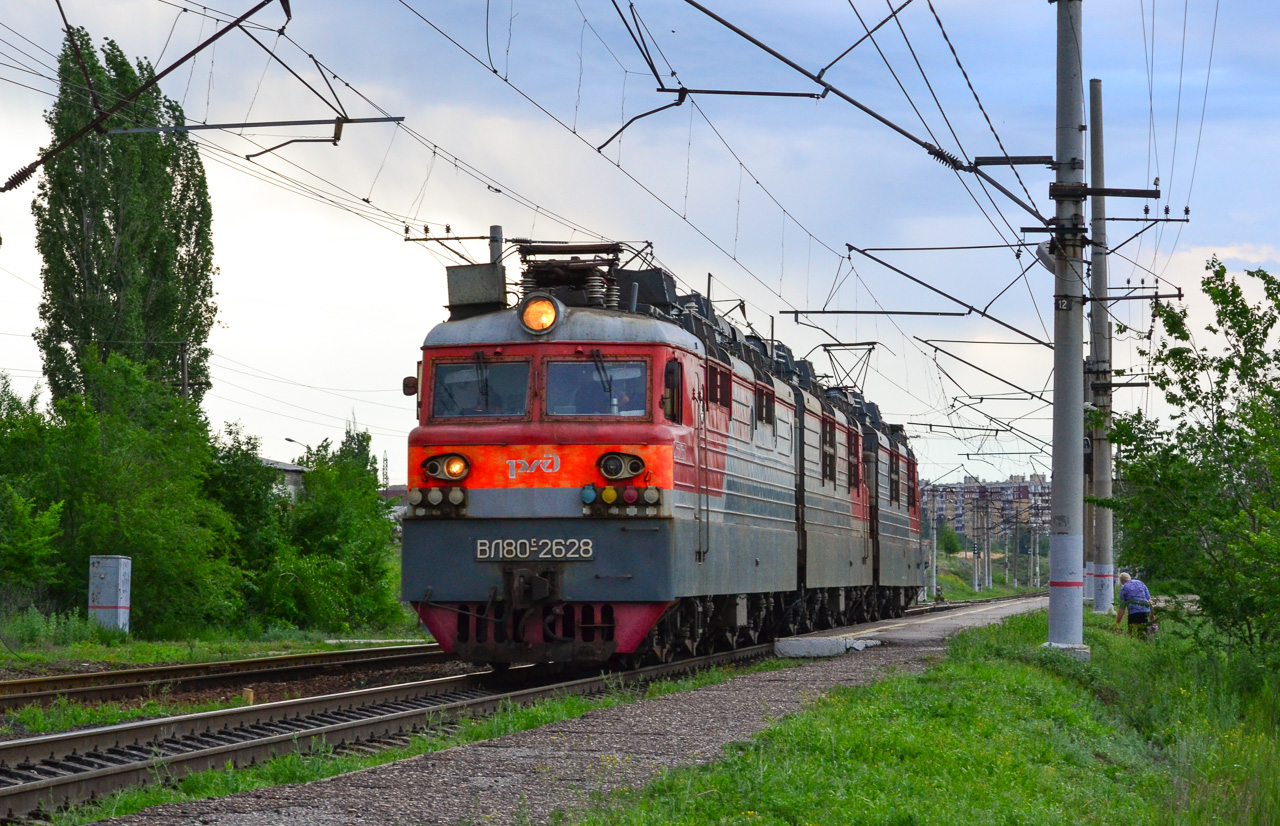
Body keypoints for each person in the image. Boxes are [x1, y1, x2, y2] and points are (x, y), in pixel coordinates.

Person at [1115, 572, 1154, 636]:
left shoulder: (1124, 588)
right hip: (1145, 612)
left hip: (1134, 614)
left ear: (1122, 581)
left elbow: (1122, 608)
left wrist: (1117, 622)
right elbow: (1150, 601)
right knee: (1145, 634)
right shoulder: (1141, 583)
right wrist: (1152, 614)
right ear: (1129, 578)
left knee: (1133, 635)